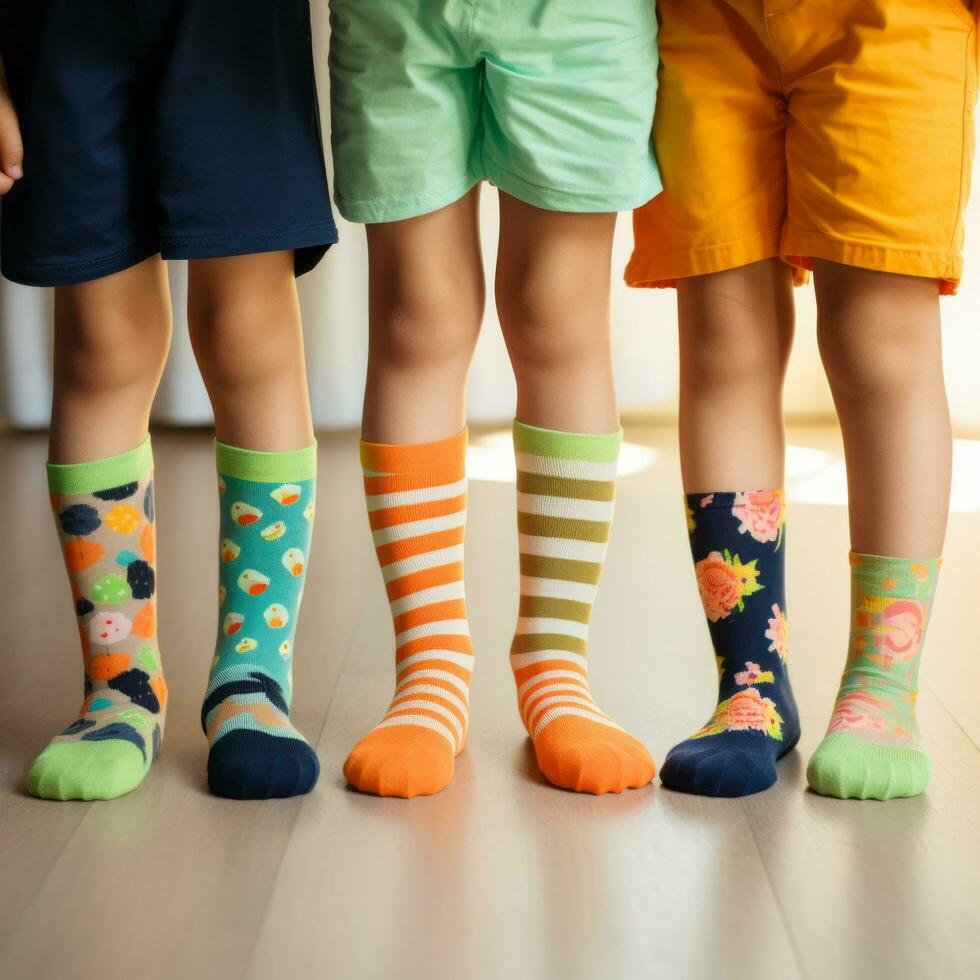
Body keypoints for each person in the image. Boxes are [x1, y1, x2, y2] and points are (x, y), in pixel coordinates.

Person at [626, 0, 977, 799]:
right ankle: (749, 685)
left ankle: (883, 688)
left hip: (896, 17)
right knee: (722, 329)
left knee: (880, 336)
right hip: (703, 19)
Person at [0, 0, 337, 800]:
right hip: (56, 24)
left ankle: (252, 680)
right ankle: (120, 688)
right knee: (101, 341)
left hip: (233, 25)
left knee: (247, 328)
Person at [328, 0, 661, 797]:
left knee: (559, 316)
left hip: (581, 18)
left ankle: (555, 664)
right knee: (417, 315)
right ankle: (430, 665)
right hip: (395, 15)